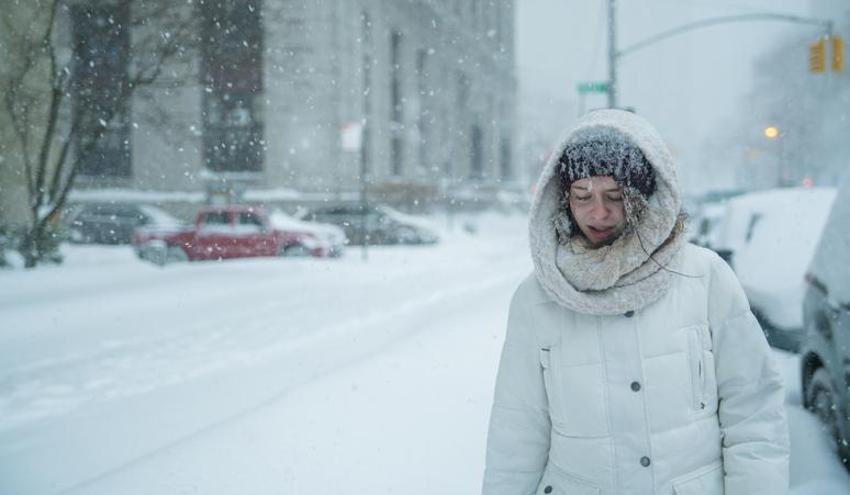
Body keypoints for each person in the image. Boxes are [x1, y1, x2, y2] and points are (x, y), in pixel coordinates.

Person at [482, 109, 789, 495]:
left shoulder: (704, 276)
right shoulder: (536, 299)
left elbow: (753, 413)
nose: (598, 212)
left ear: (643, 196)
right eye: (582, 196)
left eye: (615, 196)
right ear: (563, 201)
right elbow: (517, 433)